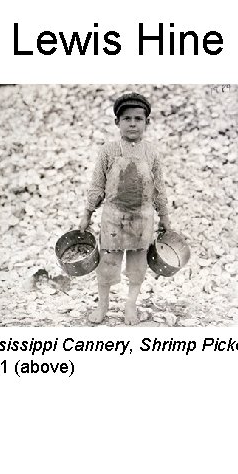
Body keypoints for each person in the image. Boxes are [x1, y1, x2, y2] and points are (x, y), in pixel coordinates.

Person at [79, 92, 171, 325]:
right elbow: (97, 185)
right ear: (117, 122)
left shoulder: (151, 153)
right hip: (113, 217)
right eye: (127, 118)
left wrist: (165, 218)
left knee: (137, 264)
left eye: (138, 119)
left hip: (143, 218)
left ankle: (131, 305)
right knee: (107, 263)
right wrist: (86, 215)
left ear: (147, 122)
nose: (132, 123)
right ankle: (103, 305)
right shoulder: (108, 151)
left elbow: (159, 188)